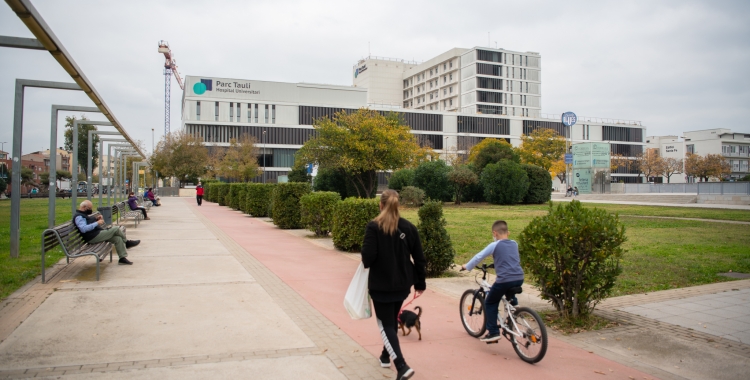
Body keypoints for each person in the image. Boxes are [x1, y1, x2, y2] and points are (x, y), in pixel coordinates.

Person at [361, 189, 426, 380]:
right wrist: (420, 282)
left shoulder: (373, 227)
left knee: (386, 324)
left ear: (380, 205)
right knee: (391, 321)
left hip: (380, 285)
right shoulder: (409, 227)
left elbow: (367, 258)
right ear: (398, 206)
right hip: (402, 284)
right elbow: (420, 258)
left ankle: (402, 366)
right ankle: (384, 355)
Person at [461, 220, 524, 343]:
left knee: (490, 302)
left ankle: (493, 332)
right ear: (508, 232)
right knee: (509, 292)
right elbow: (510, 259)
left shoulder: (494, 245)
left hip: (504, 280)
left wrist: (467, 266)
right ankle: (515, 308)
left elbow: (479, 257)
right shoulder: (514, 243)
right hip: (519, 278)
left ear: (495, 233)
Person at [73, 200, 139, 265]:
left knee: (117, 238)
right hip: (92, 237)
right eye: (89, 208)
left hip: (96, 234)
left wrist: (96, 219)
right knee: (115, 229)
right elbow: (83, 229)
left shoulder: (83, 214)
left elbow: (88, 222)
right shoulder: (79, 217)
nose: (91, 209)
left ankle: (122, 258)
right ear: (84, 207)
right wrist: (97, 223)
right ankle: (127, 242)